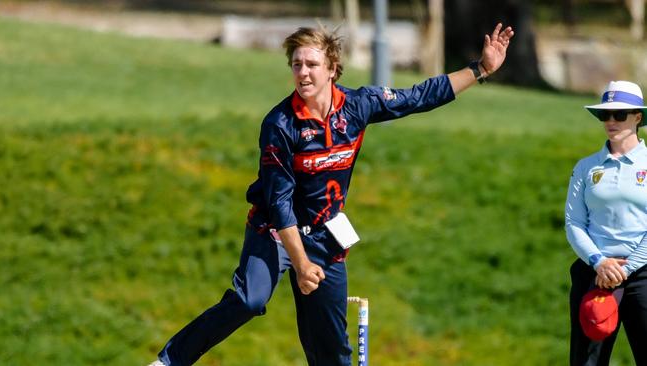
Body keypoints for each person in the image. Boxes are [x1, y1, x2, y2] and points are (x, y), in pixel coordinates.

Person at [149, 23, 514, 366]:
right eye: (296, 65)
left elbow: (420, 96)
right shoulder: (279, 125)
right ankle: (171, 359)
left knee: (331, 346)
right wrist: (301, 263)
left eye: (311, 64)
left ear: (332, 68)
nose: (303, 73)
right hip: (275, 232)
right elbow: (279, 204)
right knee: (250, 300)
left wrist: (480, 68)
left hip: (326, 235)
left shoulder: (358, 106)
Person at [565, 80, 647, 365]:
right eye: (605, 115)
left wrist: (627, 268)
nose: (611, 121)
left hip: (642, 274)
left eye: (620, 114)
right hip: (594, 273)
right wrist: (599, 262)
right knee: (586, 362)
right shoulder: (586, 167)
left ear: (638, 117)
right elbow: (574, 222)